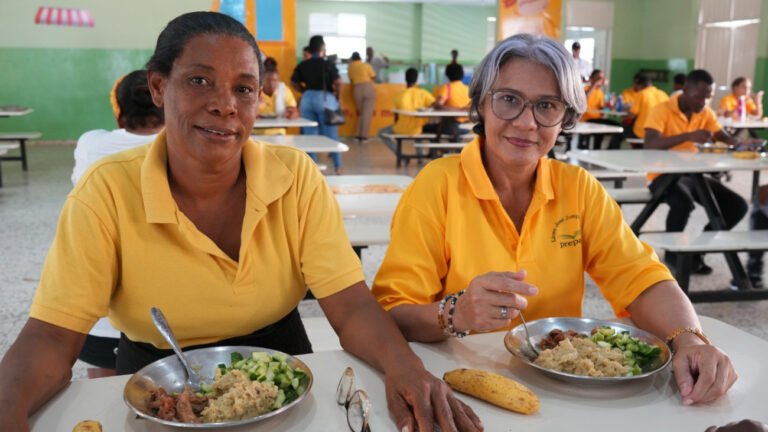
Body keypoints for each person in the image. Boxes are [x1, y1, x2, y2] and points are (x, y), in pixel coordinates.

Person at [0, 13, 482, 432]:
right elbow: (51, 336)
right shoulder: (106, 191)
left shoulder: (294, 178)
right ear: (158, 86)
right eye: (199, 81)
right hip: (157, 379)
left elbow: (352, 306)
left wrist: (406, 369)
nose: (225, 104)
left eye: (244, 89)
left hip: (287, 370)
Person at [372, 33, 737, 408]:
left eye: (546, 105)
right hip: (456, 385)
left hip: (562, 391)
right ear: (481, 104)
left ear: (565, 118)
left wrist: (690, 339)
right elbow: (389, 315)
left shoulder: (577, 189)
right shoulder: (438, 185)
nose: (527, 122)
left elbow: (641, 279)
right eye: (509, 99)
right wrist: (455, 313)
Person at [71, 69, 165, 376]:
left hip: (99, 320)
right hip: (172, 322)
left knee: (104, 394)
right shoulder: (186, 149)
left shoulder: (91, 146)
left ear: (119, 113)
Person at [644, 69, 750, 274]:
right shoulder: (662, 109)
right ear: (685, 90)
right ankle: (673, 256)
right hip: (660, 175)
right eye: (698, 96)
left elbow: (722, 135)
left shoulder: (705, 112)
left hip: (693, 174)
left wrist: (740, 143)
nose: (702, 102)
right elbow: (650, 144)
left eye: (707, 97)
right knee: (683, 202)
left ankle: (696, 251)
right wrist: (687, 136)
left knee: (737, 206)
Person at [291, 35, 344, 174]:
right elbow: (338, 83)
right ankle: (338, 167)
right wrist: (338, 99)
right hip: (325, 99)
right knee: (331, 135)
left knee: (309, 137)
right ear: (322, 48)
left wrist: (304, 90)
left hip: (307, 99)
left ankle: (312, 170)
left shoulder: (303, 64)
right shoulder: (328, 64)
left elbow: (293, 82)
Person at [378, 67, 436, 154]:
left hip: (401, 128)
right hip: (418, 128)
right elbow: (434, 104)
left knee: (381, 133)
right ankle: (420, 156)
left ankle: (400, 154)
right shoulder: (423, 93)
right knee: (419, 131)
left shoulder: (400, 95)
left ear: (405, 79)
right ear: (417, 80)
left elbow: (396, 118)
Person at [607, 72, 669, 149]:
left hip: (643, 133)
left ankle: (611, 154)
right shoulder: (663, 94)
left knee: (618, 131)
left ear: (637, 84)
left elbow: (632, 115)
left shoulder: (642, 94)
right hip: (660, 133)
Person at [256, 58, 299, 136]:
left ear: (278, 80)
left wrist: (291, 113)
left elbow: (294, 111)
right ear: (261, 80)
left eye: (275, 80)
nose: (271, 83)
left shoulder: (284, 90)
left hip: (278, 132)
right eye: (268, 80)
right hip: (256, 133)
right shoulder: (254, 91)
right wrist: (255, 108)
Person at [430, 63, 470, 138]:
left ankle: (438, 147)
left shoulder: (447, 88)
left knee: (426, 128)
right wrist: (461, 110)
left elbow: (438, 105)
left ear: (447, 75)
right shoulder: (468, 89)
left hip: (450, 126)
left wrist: (458, 110)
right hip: (467, 126)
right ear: (462, 75)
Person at [347, 51, 376, 142]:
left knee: (361, 113)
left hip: (356, 89)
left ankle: (357, 135)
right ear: (360, 58)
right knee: (366, 114)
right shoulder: (366, 65)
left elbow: (351, 79)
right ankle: (363, 137)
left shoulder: (350, 67)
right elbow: (373, 76)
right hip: (368, 88)